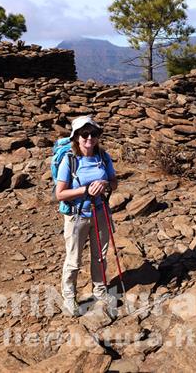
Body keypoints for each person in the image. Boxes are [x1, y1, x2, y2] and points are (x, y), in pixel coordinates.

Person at [55, 116, 118, 317]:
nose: (89, 138)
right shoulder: (70, 160)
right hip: (77, 216)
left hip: (100, 212)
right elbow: (60, 194)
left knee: (100, 256)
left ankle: (99, 290)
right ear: (76, 137)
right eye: (84, 134)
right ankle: (69, 296)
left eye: (94, 133)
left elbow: (114, 182)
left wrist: (105, 185)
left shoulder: (103, 156)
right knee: (74, 260)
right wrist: (84, 190)